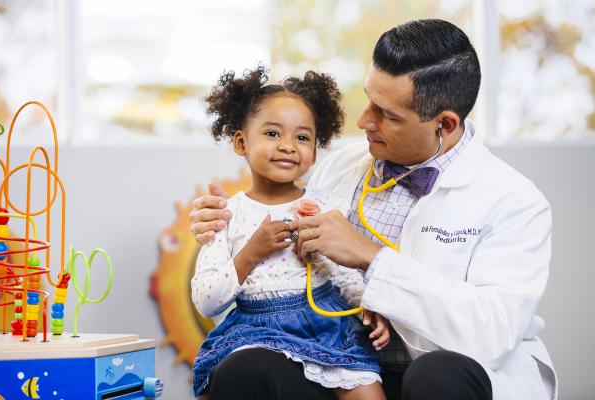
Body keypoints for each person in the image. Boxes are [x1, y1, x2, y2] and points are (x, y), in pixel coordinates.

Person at [190, 19, 557, 400]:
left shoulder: (514, 201)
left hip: (444, 375)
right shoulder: (339, 166)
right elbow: (280, 220)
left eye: (388, 115)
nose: (364, 120)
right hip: (344, 358)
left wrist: (371, 257)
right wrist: (219, 221)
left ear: (444, 124)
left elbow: (490, 334)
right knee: (246, 370)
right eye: (368, 99)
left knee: (438, 375)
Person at [191, 65, 391, 400]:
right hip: (257, 330)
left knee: (368, 391)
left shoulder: (322, 206)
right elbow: (206, 300)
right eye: (272, 134)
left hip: (328, 327)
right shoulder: (226, 215)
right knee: (229, 380)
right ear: (241, 142)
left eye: (302, 137)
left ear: (314, 152)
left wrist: (368, 306)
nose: (287, 146)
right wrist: (251, 252)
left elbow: (345, 271)